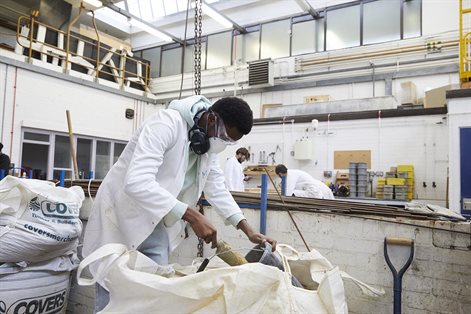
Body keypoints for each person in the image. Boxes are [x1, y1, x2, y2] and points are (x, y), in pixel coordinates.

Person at [83, 95, 276, 312]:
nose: (223, 143)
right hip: (121, 219)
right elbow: (136, 181)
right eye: (224, 136)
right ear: (212, 119)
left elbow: (217, 188)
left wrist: (248, 230)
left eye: (230, 141)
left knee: (153, 297)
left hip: (157, 225)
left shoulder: (206, 149)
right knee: (115, 294)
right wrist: (192, 216)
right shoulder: (166, 124)